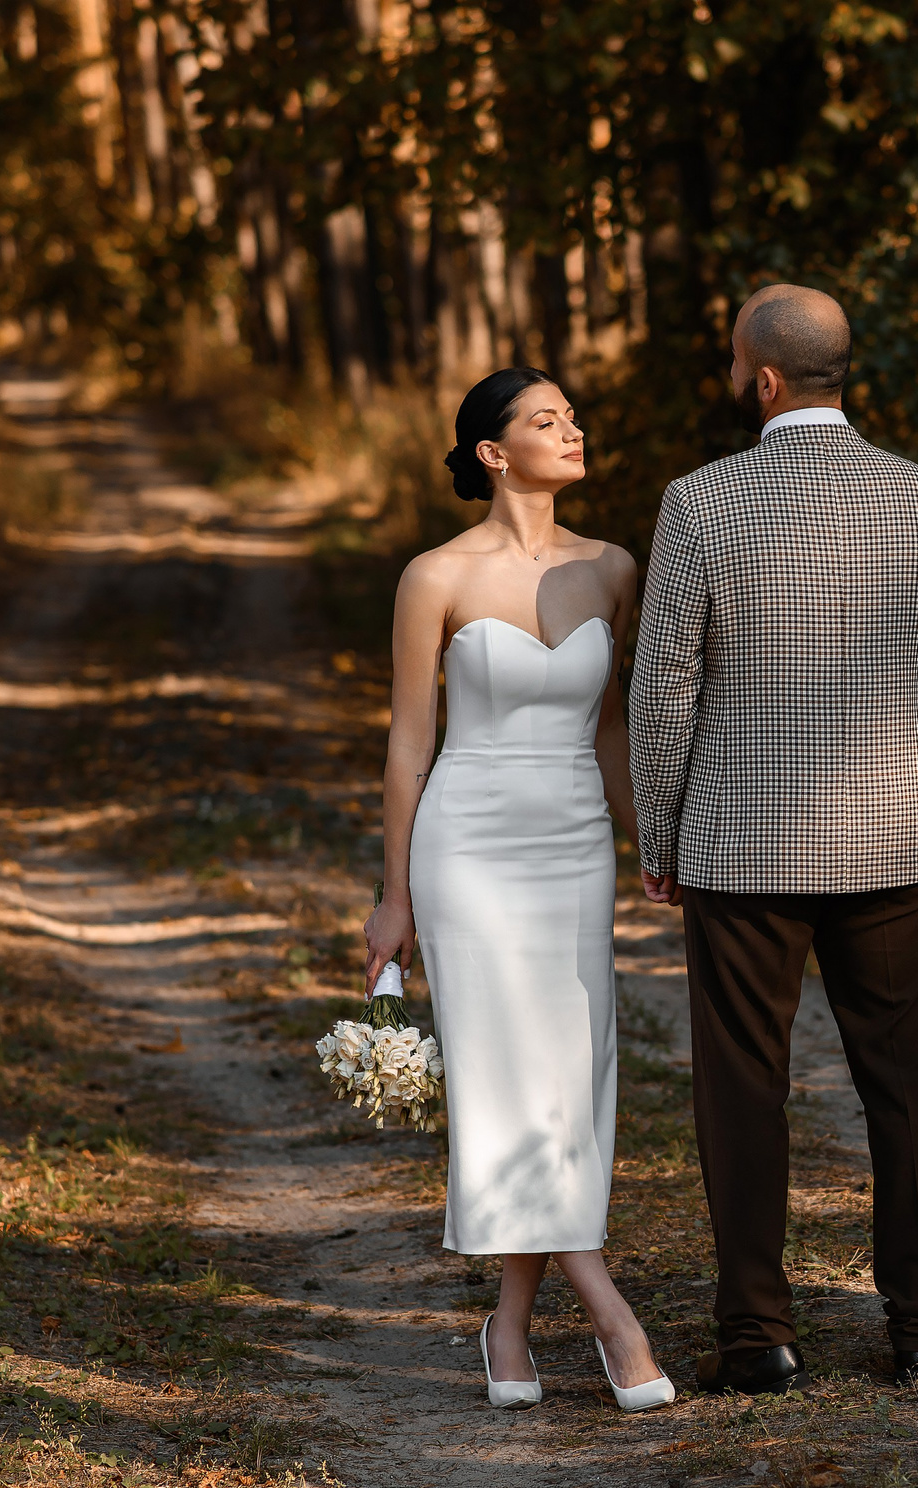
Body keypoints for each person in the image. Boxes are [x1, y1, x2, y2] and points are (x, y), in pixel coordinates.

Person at [629, 284, 918, 1395]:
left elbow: (665, 686)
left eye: (739, 365)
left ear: (766, 378)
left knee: (743, 1088)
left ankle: (759, 1337)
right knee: (904, 1085)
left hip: (742, 848)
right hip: (889, 838)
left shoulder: (700, 505)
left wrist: (661, 827)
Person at [363, 367, 673, 1413]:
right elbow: (409, 746)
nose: (573, 431)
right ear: (495, 453)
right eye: (547, 421)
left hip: (576, 843)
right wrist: (393, 896)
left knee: (571, 1081)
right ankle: (609, 1310)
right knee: (502, 1079)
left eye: (574, 416)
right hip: (468, 848)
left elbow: (615, 726)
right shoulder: (433, 577)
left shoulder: (616, 567)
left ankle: (506, 1325)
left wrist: (652, 842)